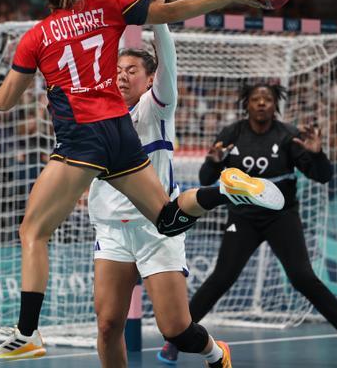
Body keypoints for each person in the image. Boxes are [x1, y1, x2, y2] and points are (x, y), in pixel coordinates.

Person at [0, 0, 283, 360]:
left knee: (32, 231)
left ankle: (27, 333)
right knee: (168, 218)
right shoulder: (107, 6)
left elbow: (3, 101)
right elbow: (175, 10)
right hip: (119, 132)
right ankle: (223, 190)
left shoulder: (37, 36)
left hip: (83, 138)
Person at [158, 83, 337, 367]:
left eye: (267, 99)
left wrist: (317, 154)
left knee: (303, 277)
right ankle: (176, 340)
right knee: (221, 278)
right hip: (243, 217)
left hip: (281, 217)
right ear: (247, 104)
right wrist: (212, 161)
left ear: (274, 105)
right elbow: (207, 178)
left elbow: (324, 176)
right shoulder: (232, 134)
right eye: (256, 99)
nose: (261, 103)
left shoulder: (289, 136)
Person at [89, 24, 231, 368]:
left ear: (150, 79)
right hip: (111, 231)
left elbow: (169, 60)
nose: (122, 77)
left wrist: (160, 21)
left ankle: (216, 353)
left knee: (175, 328)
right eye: (118, 71)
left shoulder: (156, 110)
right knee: (108, 325)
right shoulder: (98, 115)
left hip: (158, 229)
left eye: (132, 71)